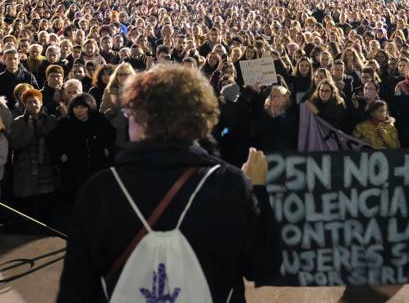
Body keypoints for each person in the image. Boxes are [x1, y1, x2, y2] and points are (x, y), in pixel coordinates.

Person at [56, 64, 281, 302]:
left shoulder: (98, 191)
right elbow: (263, 267)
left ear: (138, 120)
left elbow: (75, 291)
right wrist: (257, 190)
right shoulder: (228, 184)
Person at [46, 93, 115, 214]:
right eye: (76, 108)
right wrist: (61, 155)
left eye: (82, 107)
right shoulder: (66, 123)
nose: (79, 111)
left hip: (97, 168)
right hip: (74, 171)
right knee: (76, 201)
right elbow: (51, 141)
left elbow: (111, 134)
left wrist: (107, 148)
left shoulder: (99, 120)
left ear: (89, 107)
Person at [9, 89, 58, 223]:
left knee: (46, 202)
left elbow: (55, 141)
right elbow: (14, 145)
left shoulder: (51, 120)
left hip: (47, 166)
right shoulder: (18, 122)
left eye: (35, 102)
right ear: (24, 105)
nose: (33, 105)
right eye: (29, 103)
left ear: (41, 103)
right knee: (28, 203)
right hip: (27, 168)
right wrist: (30, 131)